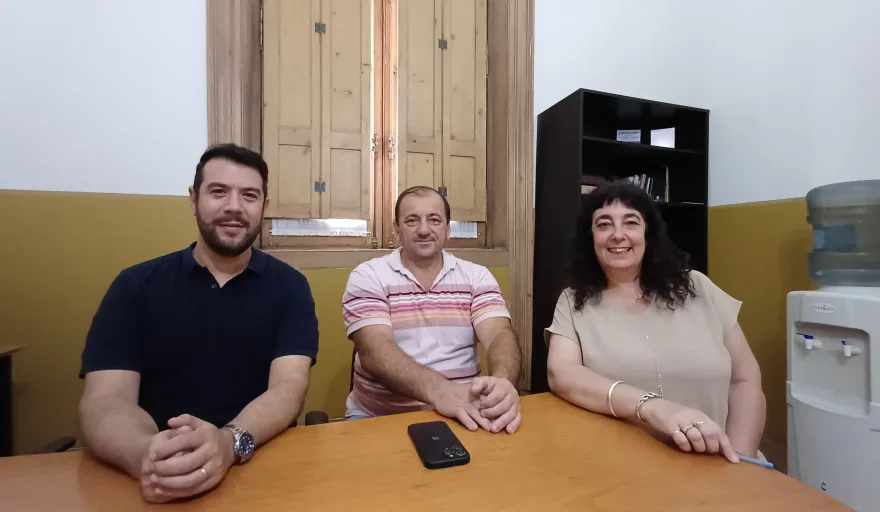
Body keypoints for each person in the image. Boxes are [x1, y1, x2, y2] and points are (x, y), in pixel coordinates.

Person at [78, 144, 319, 503]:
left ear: (264, 206)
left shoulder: (291, 287)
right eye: (218, 192)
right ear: (193, 199)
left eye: (249, 195)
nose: (234, 206)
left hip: (258, 468)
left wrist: (229, 442)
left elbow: (288, 388)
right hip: (154, 476)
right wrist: (146, 455)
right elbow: (105, 400)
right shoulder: (135, 286)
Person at [546, 182, 766, 462]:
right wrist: (653, 407)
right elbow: (561, 374)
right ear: (590, 238)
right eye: (604, 224)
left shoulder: (698, 287)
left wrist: (740, 458)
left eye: (631, 222)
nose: (617, 234)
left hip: (719, 462)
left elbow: (745, 379)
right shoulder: (573, 300)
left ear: (648, 233)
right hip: (622, 466)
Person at [342, 186, 522, 433]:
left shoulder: (476, 276)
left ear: (448, 229)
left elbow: (499, 334)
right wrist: (442, 392)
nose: (424, 230)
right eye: (412, 220)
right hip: (380, 417)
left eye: (434, 220)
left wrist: (502, 384)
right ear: (396, 230)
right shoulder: (369, 275)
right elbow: (374, 351)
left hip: (464, 414)